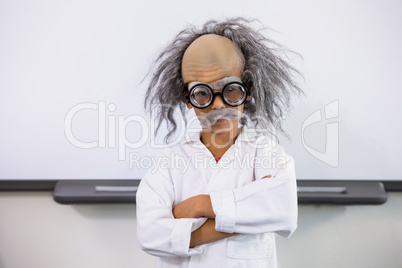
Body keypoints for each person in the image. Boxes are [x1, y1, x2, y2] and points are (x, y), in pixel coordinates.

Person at [136, 18, 302, 268]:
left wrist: (199, 205)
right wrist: (250, 216)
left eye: (230, 89)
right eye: (202, 93)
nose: (218, 104)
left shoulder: (267, 153)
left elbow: (284, 211)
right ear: (187, 99)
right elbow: (150, 235)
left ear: (247, 89)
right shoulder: (168, 163)